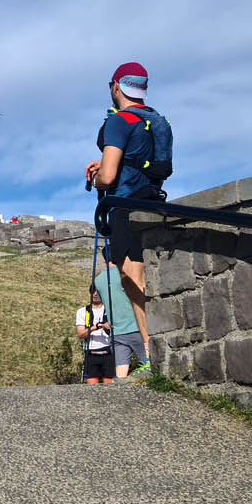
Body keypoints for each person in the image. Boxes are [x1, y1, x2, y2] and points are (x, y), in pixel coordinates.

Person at [83, 61, 170, 355]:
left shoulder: (118, 121)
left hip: (125, 205)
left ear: (117, 86)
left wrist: (98, 177)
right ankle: (152, 348)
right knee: (139, 274)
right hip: (153, 201)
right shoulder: (154, 119)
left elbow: (107, 177)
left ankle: (150, 351)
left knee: (132, 277)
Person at [93, 264, 143, 378]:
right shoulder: (126, 272)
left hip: (116, 332)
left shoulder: (98, 280)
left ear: (104, 259)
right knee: (149, 365)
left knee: (121, 371)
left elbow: (100, 300)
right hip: (136, 327)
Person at [76, 285, 115, 384]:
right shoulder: (82, 312)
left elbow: (119, 328)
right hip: (91, 353)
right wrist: (94, 327)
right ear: (89, 293)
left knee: (111, 388)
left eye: (98, 292)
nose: (95, 294)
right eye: (92, 292)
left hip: (109, 352)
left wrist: (109, 327)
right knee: (92, 389)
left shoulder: (110, 310)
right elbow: (80, 334)